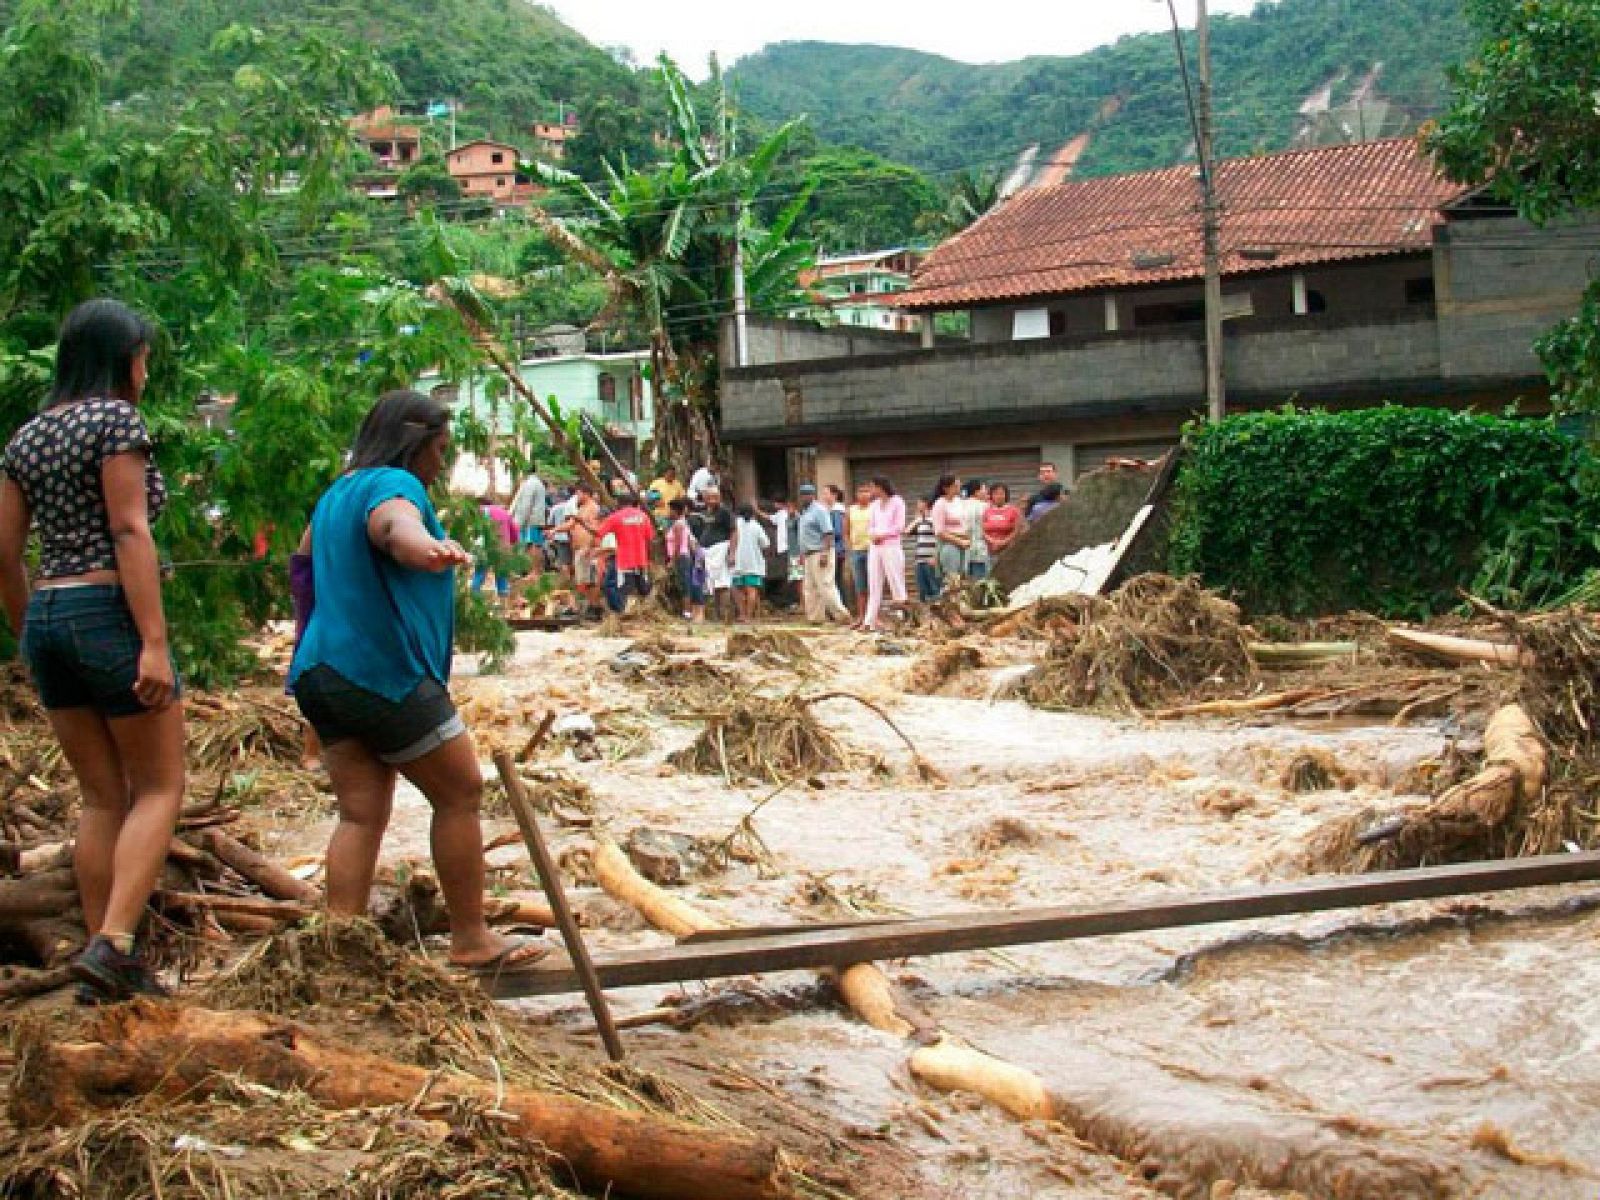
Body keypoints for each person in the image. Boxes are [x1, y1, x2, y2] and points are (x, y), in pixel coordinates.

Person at [288, 390, 545, 975]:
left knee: (359, 814)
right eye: (442, 450)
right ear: (417, 445)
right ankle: (471, 939)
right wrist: (424, 549)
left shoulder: (334, 494)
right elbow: (394, 528)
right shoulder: (392, 489)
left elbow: (301, 566)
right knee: (460, 792)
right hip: (384, 674)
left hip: (321, 674)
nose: (442, 464)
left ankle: (339, 946)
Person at [0, 298, 184, 1001]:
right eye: (142, 356)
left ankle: (97, 954)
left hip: (48, 613)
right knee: (161, 786)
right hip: (109, 610)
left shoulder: (25, 437)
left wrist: (28, 630)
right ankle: (115, 945)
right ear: (123, 357)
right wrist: (155, 644)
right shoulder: (115, 422)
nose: (144, 370)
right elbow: (130, 531)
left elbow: (4, 551)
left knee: (101, 795)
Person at [796, 483, 850, 624]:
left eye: (807, 495)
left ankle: (842, 616)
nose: (804, 498)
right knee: (810, 587)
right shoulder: (804, 512)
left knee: (825, 585)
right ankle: (816, 618)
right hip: (808, 554)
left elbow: (828, 533)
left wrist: (825, 553)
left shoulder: (819, 510)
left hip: (820, 551)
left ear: (813, 496)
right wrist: (802, 555)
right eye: (802, 495)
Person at [861, 476, 907, 632]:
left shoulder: (897, 502)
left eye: (873, 487)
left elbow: (899, 526)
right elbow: (870, 526)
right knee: (874, 584)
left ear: (881, 487)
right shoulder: (874, 505)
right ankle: (869, 621)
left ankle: (902, 618)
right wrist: (874, 535)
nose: (871, 491)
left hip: (891, 546)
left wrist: (883, 535)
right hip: (875, 547)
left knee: (896, 582)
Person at [596, 490, 655, 611]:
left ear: (619, 502)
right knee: (642, 588)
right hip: (641, 560)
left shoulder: (615, 517)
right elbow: (649, 539)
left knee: (617, 588)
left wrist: (583, 524)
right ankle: (640, 611)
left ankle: (622, 614)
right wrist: (648, 558)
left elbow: (599, 533)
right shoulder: (643, 516)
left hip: (624, 561)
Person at [560, 482, 602, 615]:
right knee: (584, 580)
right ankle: (591, 606)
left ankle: (595, 608)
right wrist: (554, 530)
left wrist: (590, 546)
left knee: (591, 580)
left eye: (578, 493)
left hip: (587, 549)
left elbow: (595, 529)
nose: (576, 496)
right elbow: (571, 524)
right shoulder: (582, 508)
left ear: (586, 494)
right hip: (580, 549)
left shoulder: (593, 508)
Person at [697, 486, 737, 624]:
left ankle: (725, 614)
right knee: (711, 583)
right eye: (709, 498)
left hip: (720, 548)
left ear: (719, 498)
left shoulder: (724, 512)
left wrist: (732, 553)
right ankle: (716, 615)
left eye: (714, 497)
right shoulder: (707, 512)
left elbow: (734, 531)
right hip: (707, 551)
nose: (711, 500)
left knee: (722, 582)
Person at [470, 499, 518, 605]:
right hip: (502, 548)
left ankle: (473, 603)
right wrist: (509, 543)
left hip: (484, 548)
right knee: (501, 577)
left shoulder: (479, 510)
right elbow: (515, 531)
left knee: (479, 575)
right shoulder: (504, 512)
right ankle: (503, 607)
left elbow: (475, 531)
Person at [665, 497, 705, 621]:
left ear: (676, 511)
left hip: (681, 556)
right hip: (685, 556)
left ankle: (687, 612)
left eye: (670, 510)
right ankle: (689, 612)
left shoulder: (678, 524)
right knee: (687, 583)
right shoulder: (683, 523)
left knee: (684, 584)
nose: (669, 512)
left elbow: (677, 544)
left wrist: (672, 560)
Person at [732, 502, 770, 623]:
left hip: (737, 562)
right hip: (753, 563)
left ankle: (741, 614)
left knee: (737, 589)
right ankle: (748, 616)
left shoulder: (735, 524)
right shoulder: (756, 526)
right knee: (751, 590)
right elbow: (766, 543)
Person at [930, 474, 969, 583]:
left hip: (963, 542)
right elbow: (939, 531)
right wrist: (959, 541)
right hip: (949, 545)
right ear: (946, 488)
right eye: (955, 486)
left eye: (958, 485)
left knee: (963, 576)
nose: (958, 488)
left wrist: (965, 538)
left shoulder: (959, 501)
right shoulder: (939, 504)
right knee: (952, 578)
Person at [509, 469, 547, 570]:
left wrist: (517, 523)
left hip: (531, 520)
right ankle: (533, 571)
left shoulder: (530, 484)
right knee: (534, 545)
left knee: (533, 545)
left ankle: (534, 572)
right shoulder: (537, 483)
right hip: (536, 519)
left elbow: (526, 505)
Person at [846, 484, 873, 623]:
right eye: (861, 491)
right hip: (857, 552)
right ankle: (861, 616)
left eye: (866, 491)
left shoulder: (875, 509)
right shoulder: (851, 510)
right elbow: (846, 531)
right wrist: (850, 547)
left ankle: (874, 616)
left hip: (872, 551)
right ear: (856, 494)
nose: (864, 494)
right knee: (860, 586)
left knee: (874, 585)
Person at [908, 497, 940, 602]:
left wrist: (935, 557)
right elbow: (907, 531)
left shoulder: (933, 520)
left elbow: (939, 539)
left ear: (926, 504)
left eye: (919, 503)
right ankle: (924, 614)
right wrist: (918, 519)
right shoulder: (921, 522)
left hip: (930, 560)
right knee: (922, 590)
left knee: (933, 588)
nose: (917, 505)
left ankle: (937, 614)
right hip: (919, 561)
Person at [983, 482, 1023, 559]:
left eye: (1001, 493)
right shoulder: (986, 511)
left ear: (1006, 495)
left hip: (1008, 549)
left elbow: (1016, 530)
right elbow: (982, 530)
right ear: (991, 495)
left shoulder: (1013, 510)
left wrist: (1003, 542)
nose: (999, 496)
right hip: (990, 550)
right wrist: (992, 541)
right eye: (996, 494)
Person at [962, 480, 992, 581]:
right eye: (984, 489)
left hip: (964, 549)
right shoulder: (984, 506)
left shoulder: (961, 505)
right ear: (976, 492)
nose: (986, 491)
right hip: (981, 548)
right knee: (982, 581)